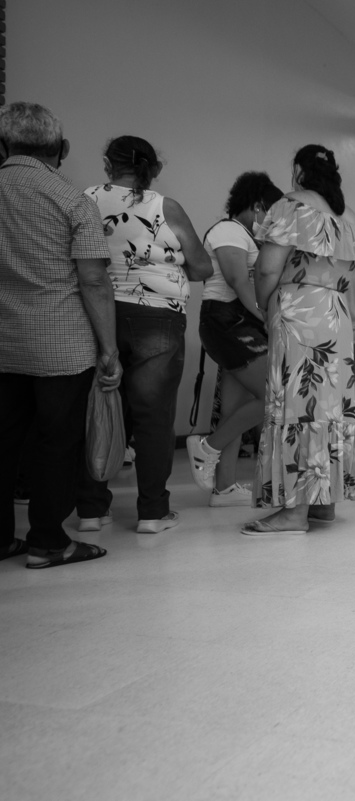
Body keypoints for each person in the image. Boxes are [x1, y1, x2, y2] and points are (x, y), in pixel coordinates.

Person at [0, 101, 121, 568]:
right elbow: (92, 280)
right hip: (59, 344)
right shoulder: (71, 199)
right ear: (62, 148)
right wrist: (109, 348)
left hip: (3, 341)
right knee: (56, 441)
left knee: (4, 439)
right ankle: (49, 542)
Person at [77, 136, 213, 534]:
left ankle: (90, 509)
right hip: (157, 317)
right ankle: (152, 513)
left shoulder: (84, 199)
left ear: (107, 164)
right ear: (153, 169)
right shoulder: (164, 206)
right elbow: (202, 267)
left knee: (98, 409)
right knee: (153, 417)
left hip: (96, 314)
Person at [242, 145, 355, 535]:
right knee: (328, 409)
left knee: (296, 405)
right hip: (336, 315)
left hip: (298, 312)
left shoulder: (290, 206)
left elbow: (267, 268)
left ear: (298, 170)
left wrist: (264, 306)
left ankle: (293, 513)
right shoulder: (349, 219)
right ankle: (322, 503)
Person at [187, 172, 283, 506]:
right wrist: (267, 320)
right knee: (274, 395)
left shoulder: (243, 234)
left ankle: (224, 487)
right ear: (257, 205)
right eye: (269, 212)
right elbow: (238, 281)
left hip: (235, 322)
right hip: (227, 321)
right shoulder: (228, 229)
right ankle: (207, 447)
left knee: (236, 409)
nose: (270, 221)